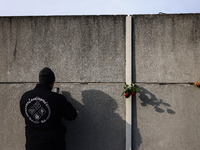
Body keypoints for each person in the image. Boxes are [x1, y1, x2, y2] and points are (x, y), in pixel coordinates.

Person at [20, 67, 77, 150]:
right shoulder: (57, 98)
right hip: (53, 145)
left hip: (32, 146)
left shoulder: (25, 97)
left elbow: (25, 114)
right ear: (52, 83)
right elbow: (72, 115)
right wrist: (61, 99)